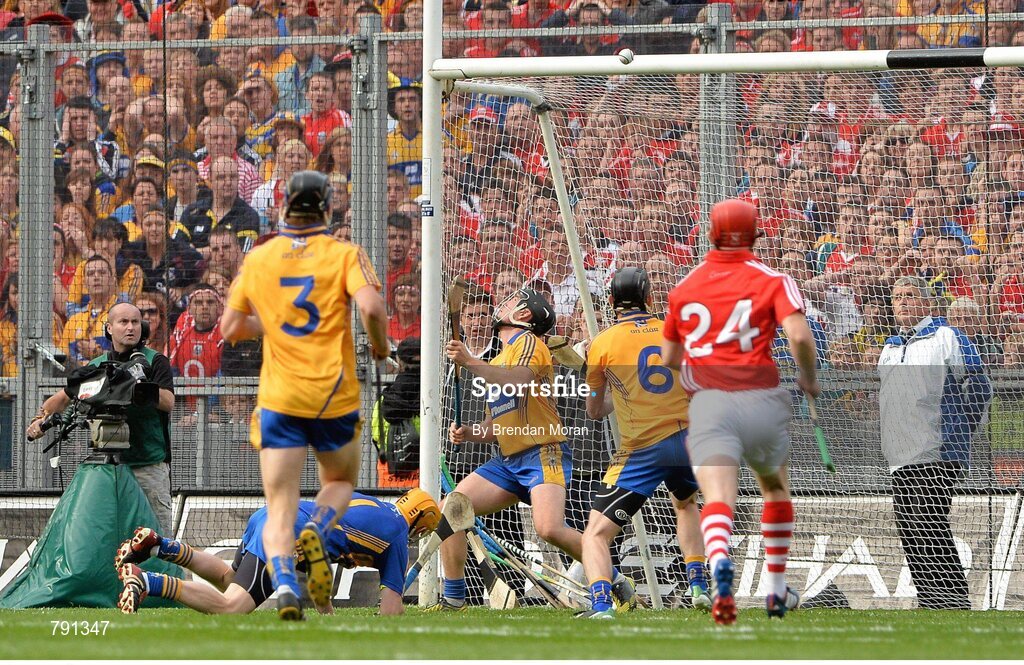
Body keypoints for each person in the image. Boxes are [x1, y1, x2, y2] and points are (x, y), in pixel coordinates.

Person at [220, 170, 390, 621]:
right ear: (328, 208)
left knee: (280, 505)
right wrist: (380, 347)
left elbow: (230, 328)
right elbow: (373, 308)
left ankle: (285, 584)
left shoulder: (260, 257)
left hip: (280, 399)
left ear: (283, 207)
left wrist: (274, 323)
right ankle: (317, 528)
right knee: (338, 483)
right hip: (334, 396)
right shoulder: (345, 253)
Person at [661, 199, 819, 625]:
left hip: (710, 401)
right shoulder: (773, 279)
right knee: (774, 488)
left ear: (711, 234)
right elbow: (799, 337)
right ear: (754, 235)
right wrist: (808, 377)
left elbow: (669, 357)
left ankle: (719, 567)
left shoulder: (685, 286)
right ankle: (776, 586)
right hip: (761, 397)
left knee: (717, 498)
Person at [441, 288, 633, 611]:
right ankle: (453, 597)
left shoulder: (530, 343)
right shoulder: (496, 361)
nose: (503, 304)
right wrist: (469, 433)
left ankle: (614, 579)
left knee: (549, 528)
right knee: (452, 508)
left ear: (524, 314)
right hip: (507, 462)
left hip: (542, 453)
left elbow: (518, 381)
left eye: (511, 302)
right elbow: (494, 426)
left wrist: (469, 362)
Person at [578, 267, 710, 619]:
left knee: (595, 534)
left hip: (643, 448)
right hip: (688, 440)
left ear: (610, 301)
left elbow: (594, 411)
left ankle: (601, 604)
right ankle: (698, 584)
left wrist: (613, 388)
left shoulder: (602, 343)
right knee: (686, 503)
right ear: (650, 298)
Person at [115, 488, 441, 615]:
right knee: (231, 607)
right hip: (289, 532)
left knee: (229, 578)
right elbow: (391, 611)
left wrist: (327, 615)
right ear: (420, 522)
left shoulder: (372, 504)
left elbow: (321, 558)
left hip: (270, 514)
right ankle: (148, 581)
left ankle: (160, 546)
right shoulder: (397, 536)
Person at [877, 276, 992, 610]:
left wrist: (962, 430)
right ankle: (929, 600)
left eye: (910, 295)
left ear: (927, 303)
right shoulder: (889, 348)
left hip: (938, 449)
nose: (902, 301)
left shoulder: (947, 336)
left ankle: (953, 599)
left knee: (929, 521)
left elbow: (979, 385)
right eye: (897, 296)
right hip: (900, 455)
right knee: (909, 527)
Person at [27, 302, 176, 532]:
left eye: (135, 322)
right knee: (104, 531)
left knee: (158, 534)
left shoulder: (155, 360)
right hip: (106, 466)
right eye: (123, 322)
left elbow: (168, 402)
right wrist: (40, 419)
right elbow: (64, 397)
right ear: (109, 328)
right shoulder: (97, 366)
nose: (130, 327)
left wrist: (136, 383)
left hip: (148, 464)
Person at [371, 337, 422, 488]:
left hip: (390, 483)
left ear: (399, 362)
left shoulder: (384, 400)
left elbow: (377, 437)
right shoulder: (435, 400)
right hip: (424, 485)